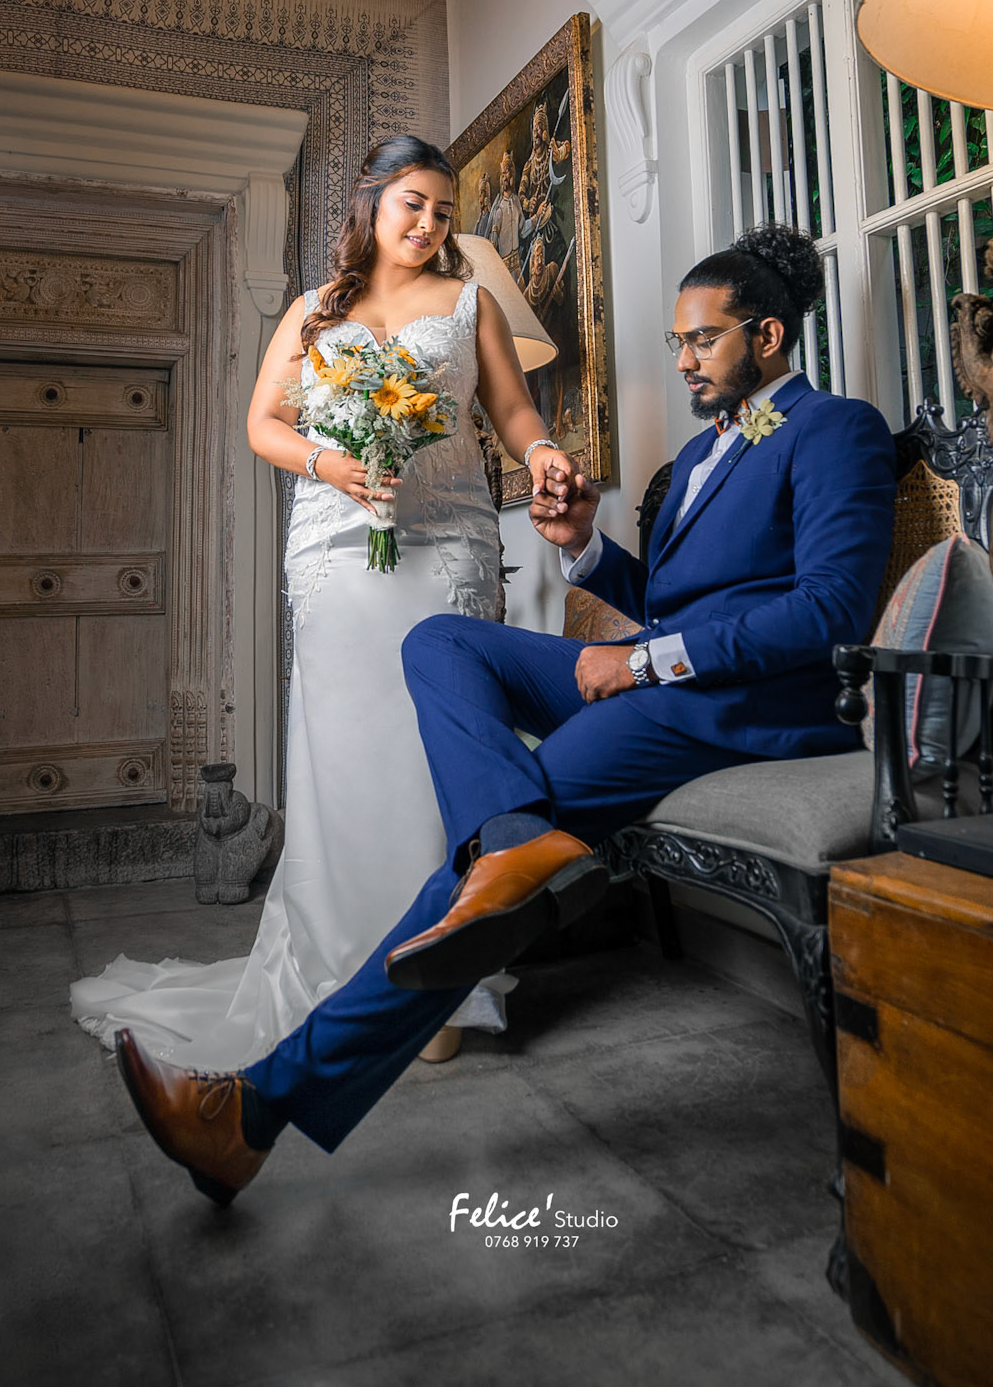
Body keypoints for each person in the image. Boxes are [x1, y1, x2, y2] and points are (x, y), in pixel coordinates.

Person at [112, 223, 897, 1203]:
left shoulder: (838, 430)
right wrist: (585, 549)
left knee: (484, 868)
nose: (684, 359)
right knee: (443, 643)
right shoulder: (702, 454)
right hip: (671, 679)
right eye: (679, 341)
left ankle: (250, 1115)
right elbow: (672, 601)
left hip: (746, 706)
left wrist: (642, 661)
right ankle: (517, 839)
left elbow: (831, 611)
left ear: (768, 336)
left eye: (703, 339)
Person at [71, 136, 575, 1070]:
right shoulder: (314, 312)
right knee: (349, 756)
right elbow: (262, 423)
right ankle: (346, 971)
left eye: (443, 210)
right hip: (338, 550)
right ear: (372, 202)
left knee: (437, 750)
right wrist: (329, 463)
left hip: (448, 544)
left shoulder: (470, 303)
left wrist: (542, 452)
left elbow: (510, 412)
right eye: (412, 203)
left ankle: (437, 978)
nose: (429, 224)